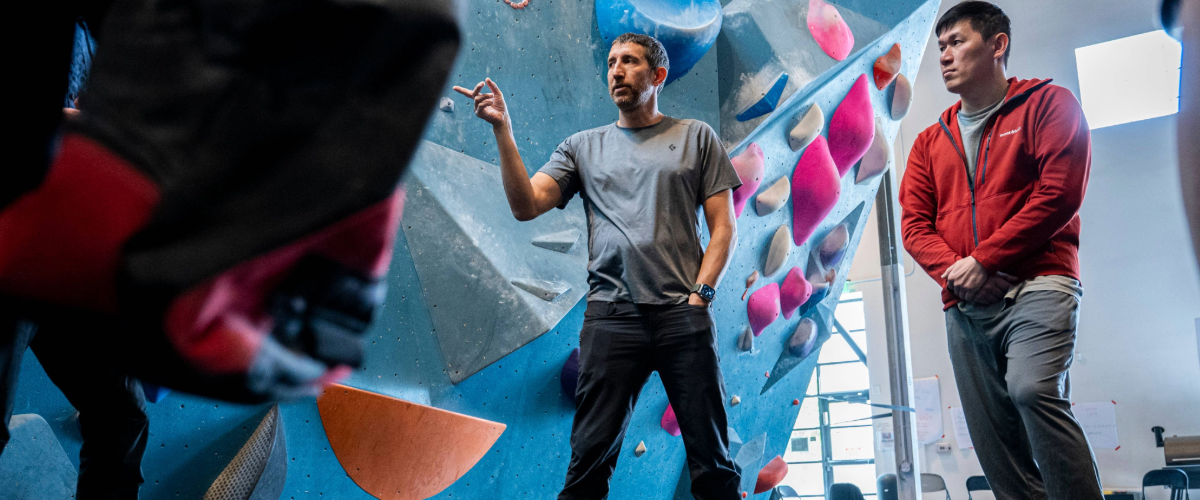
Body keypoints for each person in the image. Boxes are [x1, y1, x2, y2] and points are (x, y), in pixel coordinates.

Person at [455, 33, 743, 500]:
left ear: (657, 76)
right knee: (587, 464)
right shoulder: (581, 147)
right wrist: (503, 130)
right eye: (611, 63)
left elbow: (724, 229)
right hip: (612, 318)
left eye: (629, 62)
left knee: (712, 463)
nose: (616, 71)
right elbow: (526, 205)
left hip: (681, 316)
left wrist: (701, 297)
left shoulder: (695, 137)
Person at [898, 2, 1102, 499]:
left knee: (1032, 390)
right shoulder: (928, 142)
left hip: (1040, 284)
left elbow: (1059, 193)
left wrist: (986, 259)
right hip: (965, 303)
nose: (944, 56)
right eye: (940, 46)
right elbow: (914, 226)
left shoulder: (1049, 105)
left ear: (997, 45)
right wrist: (960, 272)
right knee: (993, 443)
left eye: (957, 42)